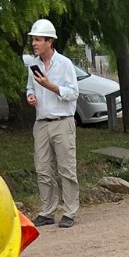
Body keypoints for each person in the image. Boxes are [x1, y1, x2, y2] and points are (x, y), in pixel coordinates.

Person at [25, 18, 81, 228]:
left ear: (50, 42)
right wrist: (30, 96)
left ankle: (69, 211)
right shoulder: (34, 65)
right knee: (42, 169)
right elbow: (30, 87)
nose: (34, 44)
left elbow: (74, 93)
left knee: (66, 168)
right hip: (41, 122)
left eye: (38, 40)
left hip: (62, 122)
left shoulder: (65, 64)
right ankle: (48, 211)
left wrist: (51, 86)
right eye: (33, 40)